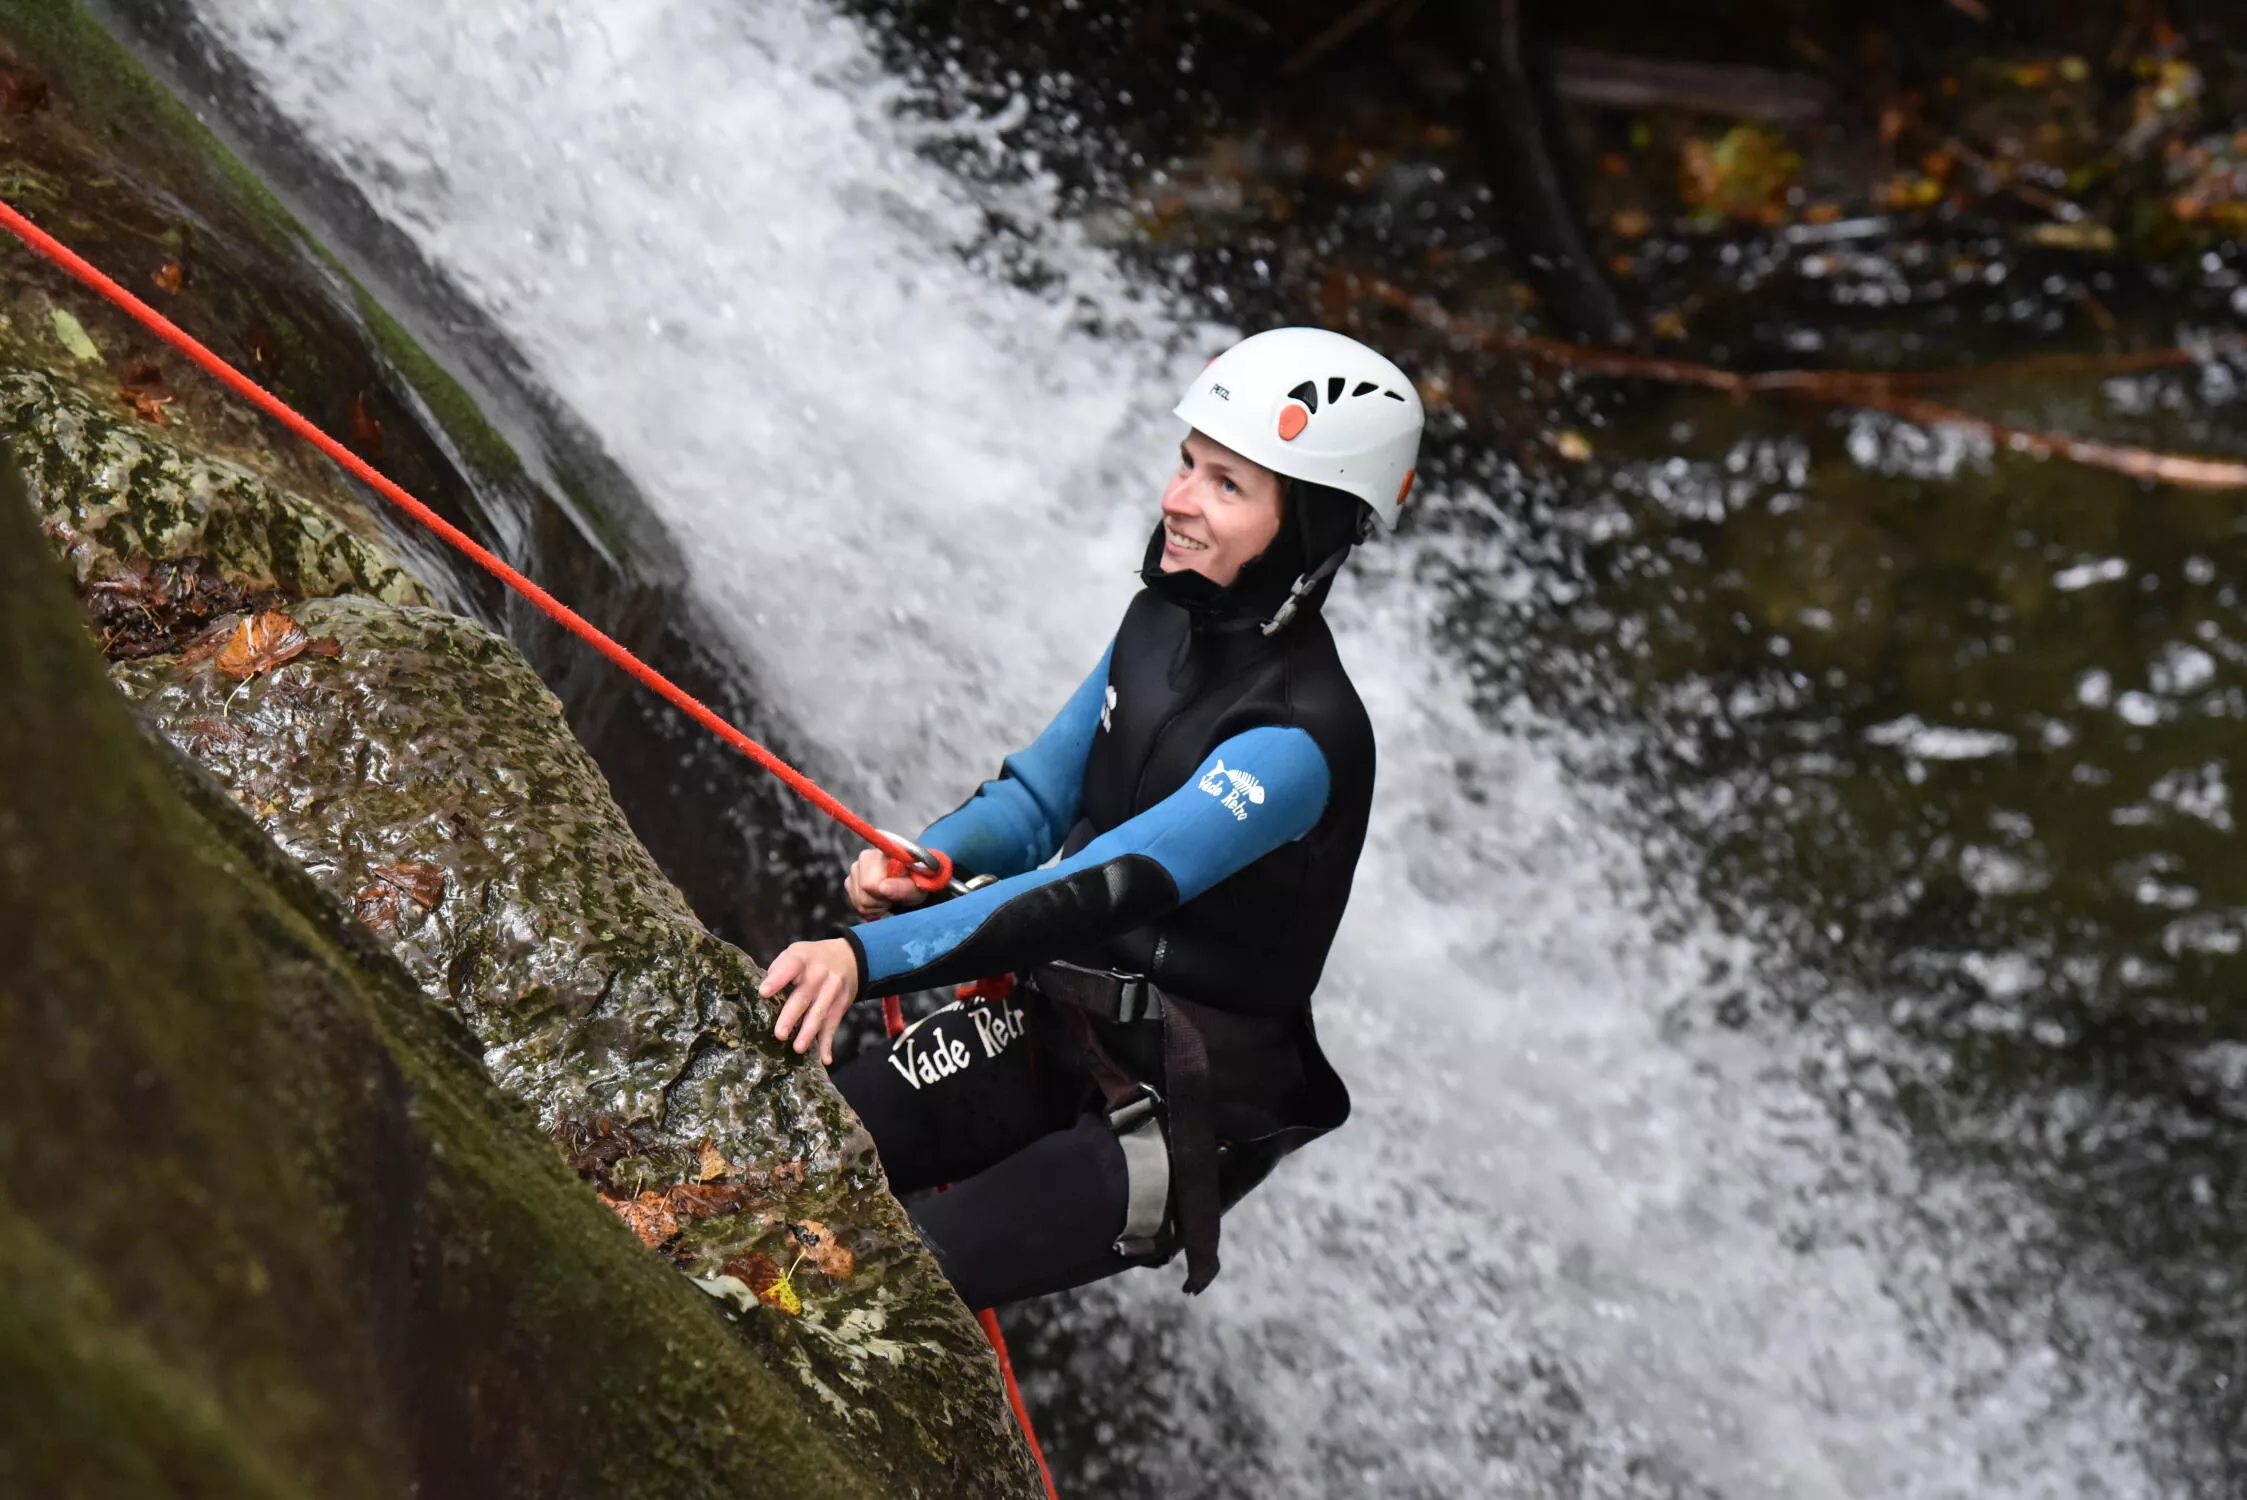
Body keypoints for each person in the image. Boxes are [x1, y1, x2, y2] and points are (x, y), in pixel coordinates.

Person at [758, 327, 1423, 1309]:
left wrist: (866, 957)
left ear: (1311, 527)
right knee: (774, 1150)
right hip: (1051, 1024)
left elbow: (1101, 885)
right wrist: (931, 856)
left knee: (861, 1286)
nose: (1177, 500)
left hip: (1176, 1112)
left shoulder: (1300, 738)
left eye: (1227, 486)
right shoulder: (1157, 622)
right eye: (1187, 464)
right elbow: (1038, 801)